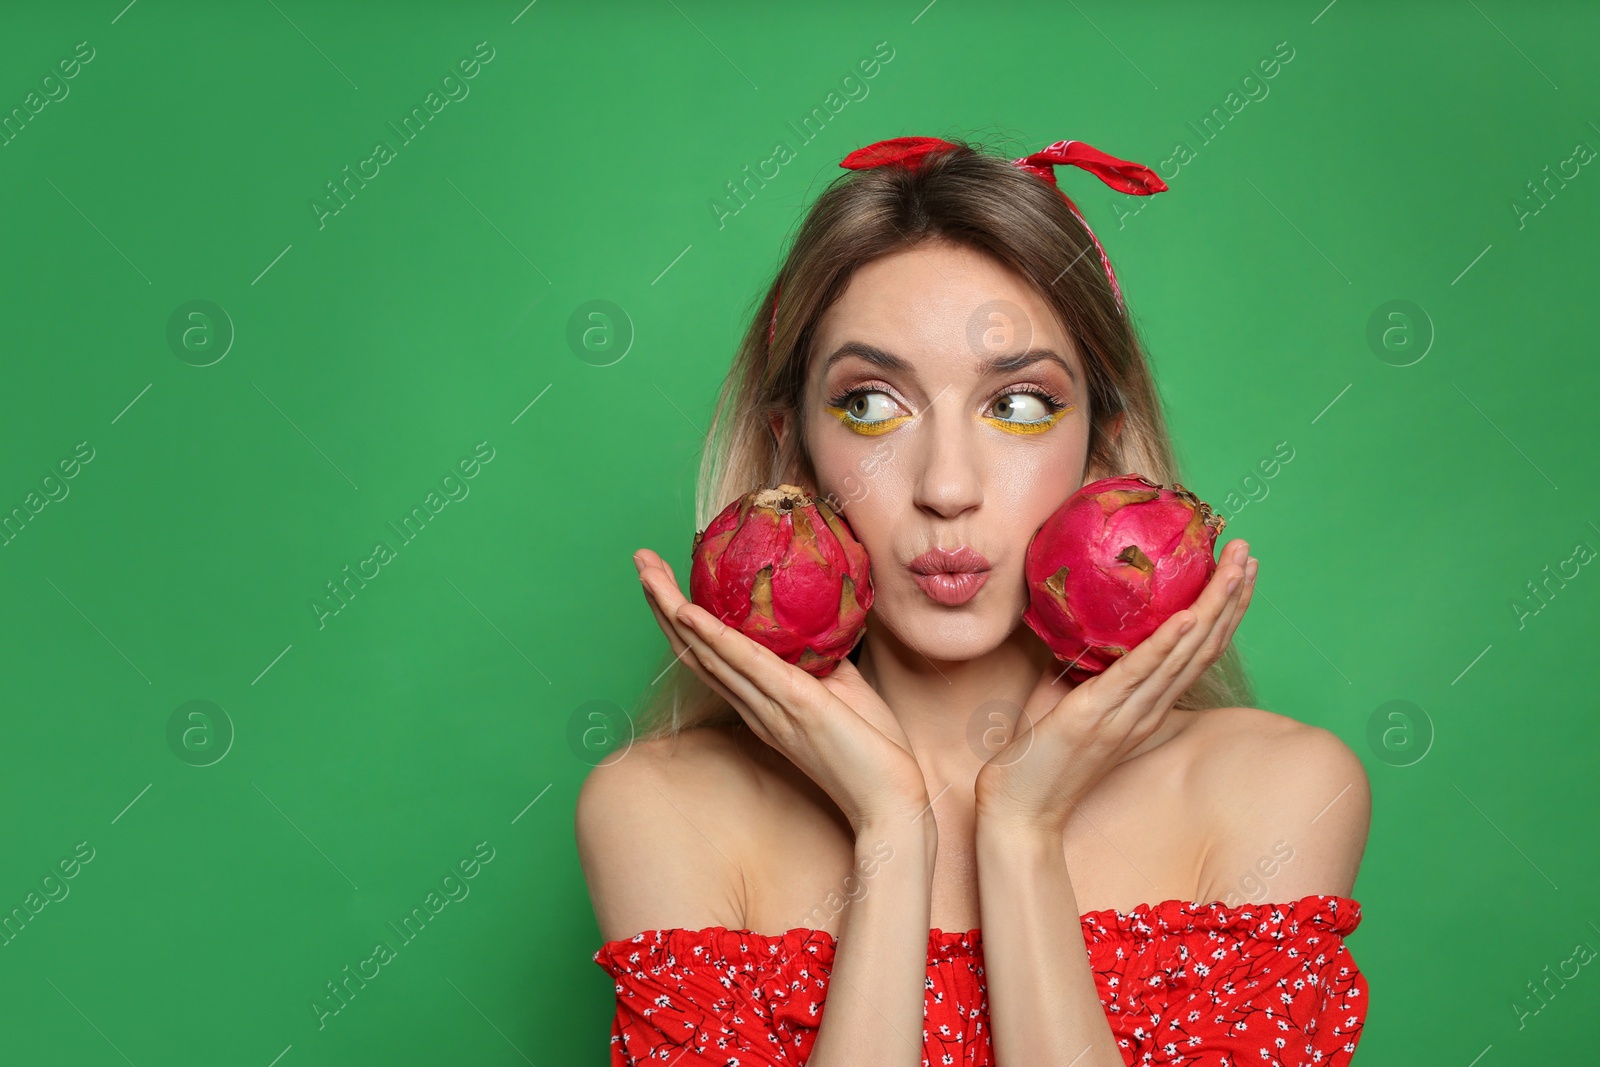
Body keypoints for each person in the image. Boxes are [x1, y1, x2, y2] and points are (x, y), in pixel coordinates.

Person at [577, 134, 1371, 1066]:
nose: (946, 485)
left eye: (1021, 405)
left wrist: (1023, 833)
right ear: (791, 454)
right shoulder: (660, 810)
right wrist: (889, 831)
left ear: (1103, 448)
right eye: (871, 405)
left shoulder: (1278, 795)